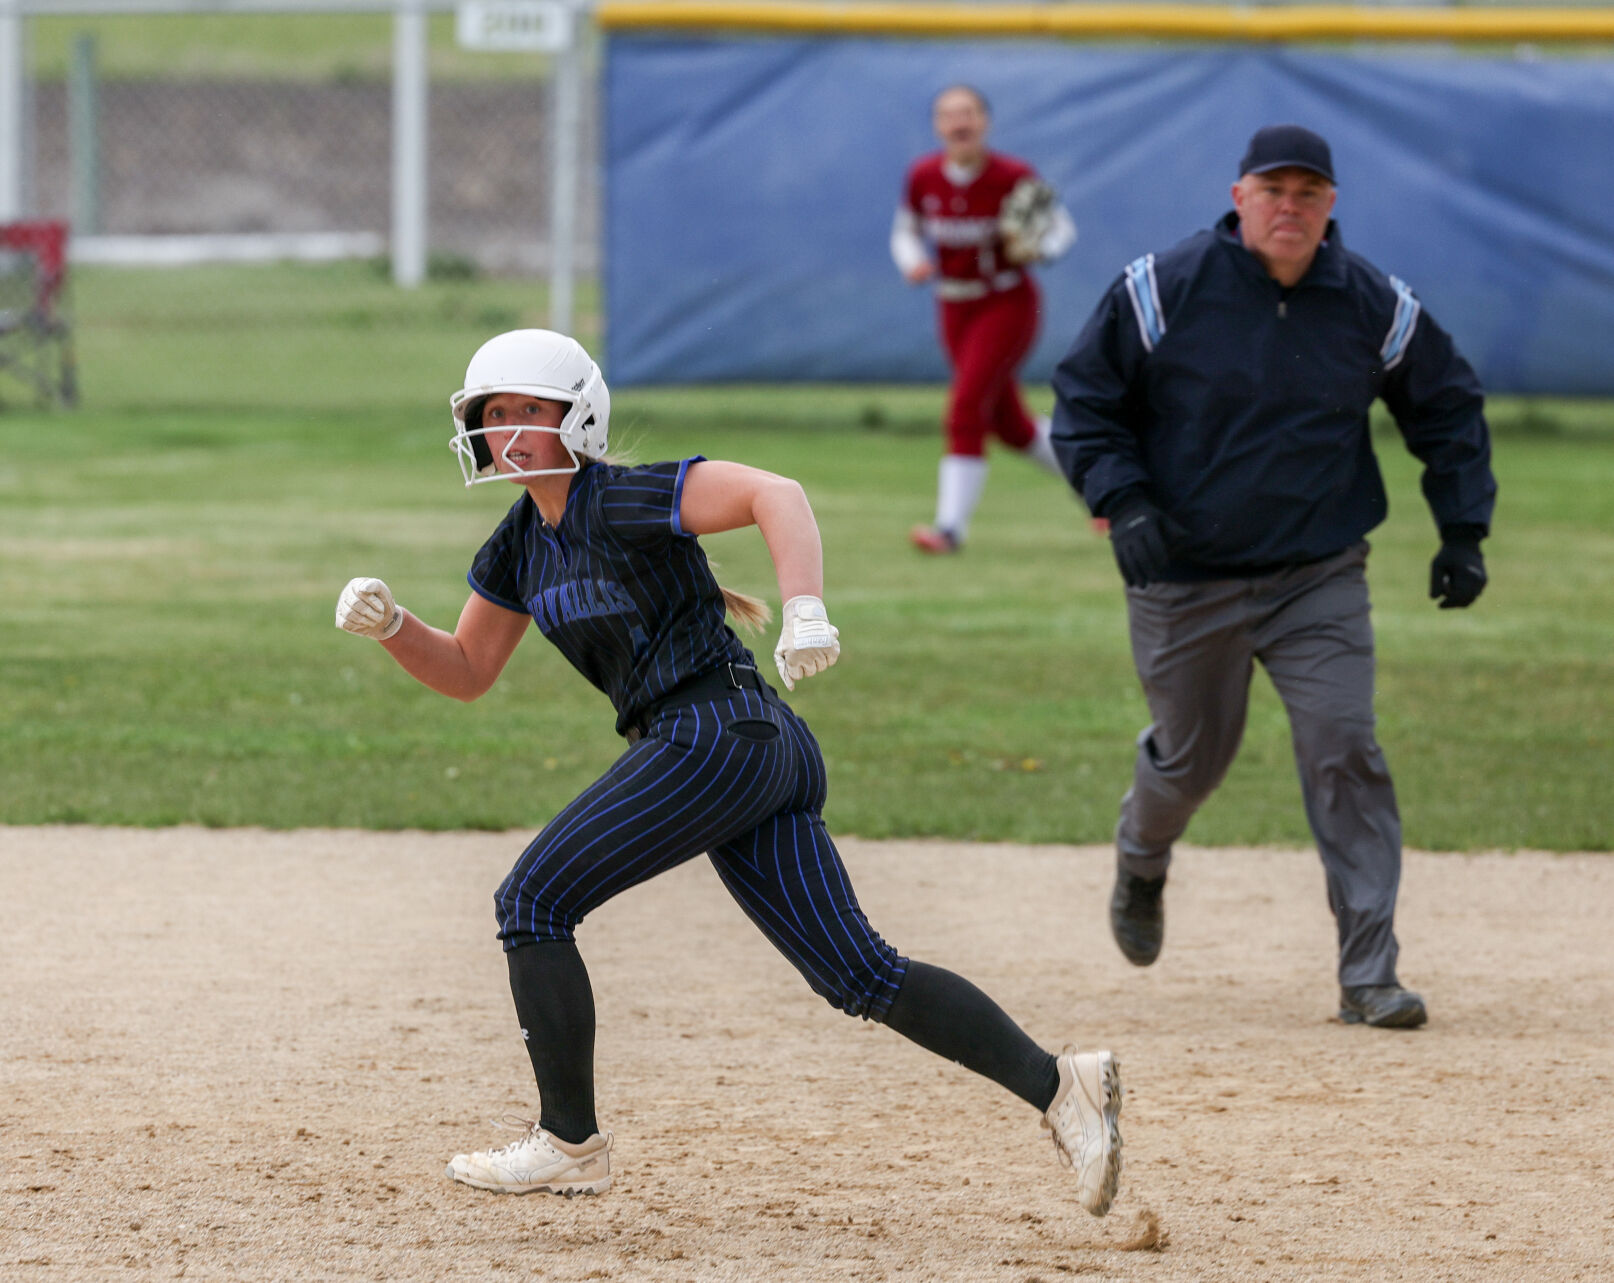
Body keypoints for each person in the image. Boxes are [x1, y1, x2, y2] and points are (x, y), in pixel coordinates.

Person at [334, 328, 1123, 1212]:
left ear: (579, 418)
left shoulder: (623, 496)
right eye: (494, 414)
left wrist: (806, 608)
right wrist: (395, 626)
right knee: (859, 974)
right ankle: (1062, 1086)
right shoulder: (518, 544)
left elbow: (773, 492)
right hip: (740, 748)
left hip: (716, 735)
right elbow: (469, 671)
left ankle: (568, 1141)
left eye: (529, 409)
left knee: (532, 901)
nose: (507, 429)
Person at [1049, 125, 1497, 1030]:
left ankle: (1368, 973)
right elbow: (1086, 403)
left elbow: (1446, 405)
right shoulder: (1160, 290)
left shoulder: (1371, 302)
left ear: (1331, 207)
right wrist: (1124, 501)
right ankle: (1142, 855)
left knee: (1345, 747)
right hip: (1185, 575)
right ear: (1238, 195)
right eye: (1273, 189)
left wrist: (1463, 529)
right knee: (1190, 759)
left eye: (1309, 193)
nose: (1289, 206)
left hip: (1317, 572)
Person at [892, 84, 1079, 554]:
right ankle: (1107, 490)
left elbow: (1061, 228)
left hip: (1007, 302)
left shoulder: (1013, 175)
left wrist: (1042, 247)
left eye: (969, 113)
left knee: (966, 405)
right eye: (949, 115)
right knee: (1010, 426)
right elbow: (905, 231)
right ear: (937, 126)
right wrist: (913, 260)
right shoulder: (924, 175)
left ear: (985, 122)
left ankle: (949, 530)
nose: (959, 123)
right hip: (953, 305)